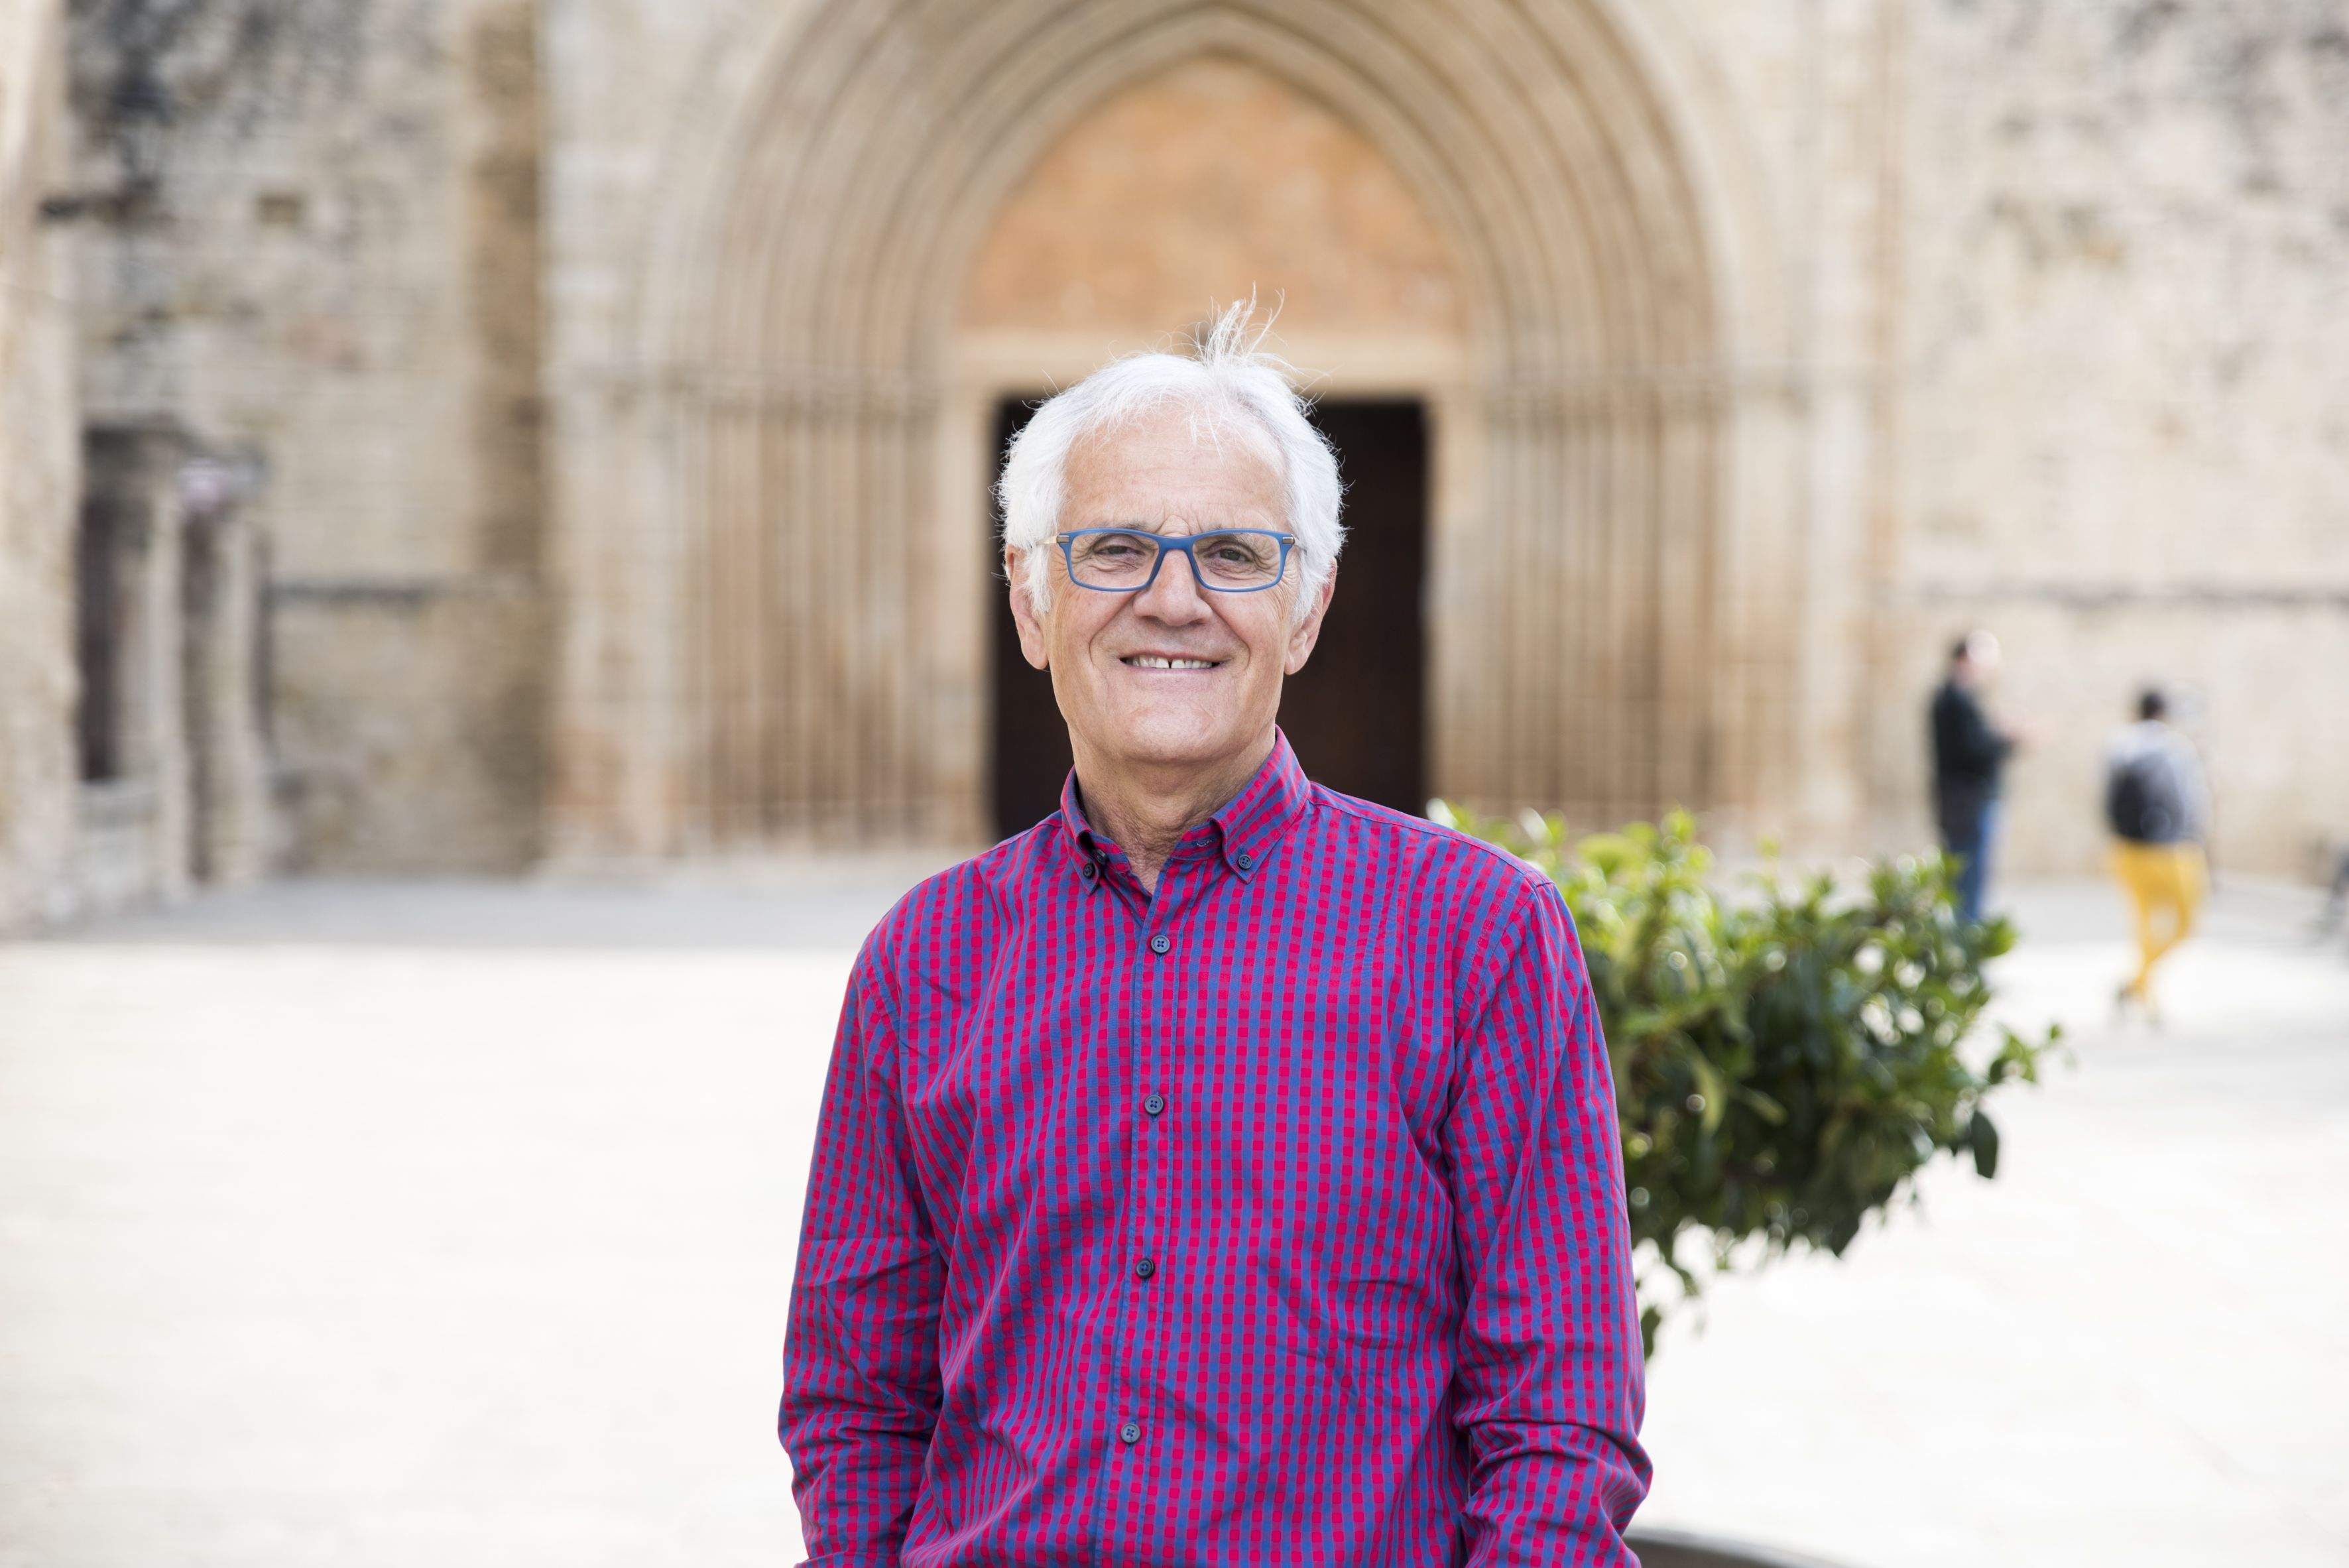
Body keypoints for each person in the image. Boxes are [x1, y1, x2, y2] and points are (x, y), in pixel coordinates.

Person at [778, 304, 1650, 1566]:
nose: (1173, 600)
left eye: (1236, 554)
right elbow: (854, 1404)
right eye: (1114, 549)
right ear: (1029, 606)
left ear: (1303, 611)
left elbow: (1561, 1429)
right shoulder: (924, 959)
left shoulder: (1479, 938)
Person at [2105, 687, 2210, 1021]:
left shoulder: (2119, 745)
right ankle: (2141, 988)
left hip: (2128, 850)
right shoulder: (2175, 747)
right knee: (2185, 925)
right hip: (2174, 850)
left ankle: (2140, 988)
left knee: (2144, 927)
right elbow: (2193, 799)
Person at [1929, 630, 2024, 923]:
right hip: (1966, 802)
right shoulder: (1955, 699)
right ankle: (1964, 951)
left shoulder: (1961, 698)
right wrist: (2005, 739)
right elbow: (1972, 749)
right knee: (1967, 881)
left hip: (1965, 801)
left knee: (1969, 880)